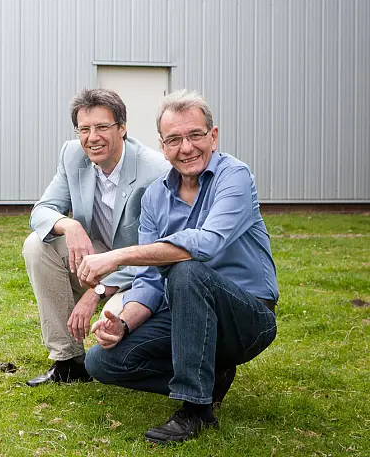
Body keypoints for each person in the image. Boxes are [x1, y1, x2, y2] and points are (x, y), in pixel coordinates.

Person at [78, 89, 279, 444]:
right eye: (174, 139)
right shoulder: (155, 196)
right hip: (185, 316)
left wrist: (119, 255)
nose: (186, 148)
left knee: (186, 269)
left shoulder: (235, 177)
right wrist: (123, 323)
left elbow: (206, 244)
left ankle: (195, 409)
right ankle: (210, 376)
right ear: (162, 145)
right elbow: (150, 283)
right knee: (101, 362)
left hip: (246, 318)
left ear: (213, 136)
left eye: (195, 135)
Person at [23, 88, 169, 387]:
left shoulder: (155, 171)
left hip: (142, 271)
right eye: (84, 129)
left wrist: (96, 293)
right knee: (38, 245)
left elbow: (158, 253)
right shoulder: (72, 155)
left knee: (111, 340)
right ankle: (68, 361)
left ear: (122, 128)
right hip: (100, 258)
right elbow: (41, 212)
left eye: (102, 127)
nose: (92, 137)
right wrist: (69, 226)